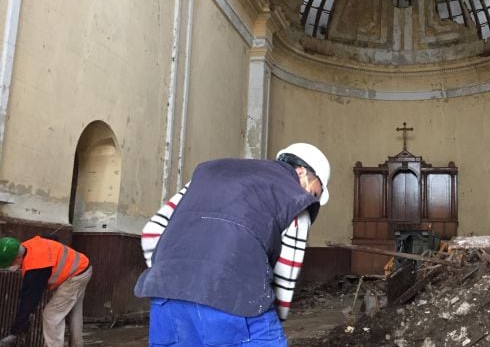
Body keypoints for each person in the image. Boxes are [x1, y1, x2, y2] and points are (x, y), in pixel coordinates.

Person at [134, 142, 331, 346]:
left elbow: (151, 231)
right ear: (301, 172)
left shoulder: (209, 173)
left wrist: (173, 276)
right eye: (315, 193)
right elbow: (285, 278)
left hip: (166, 296)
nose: (311, 198)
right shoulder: (296, 199)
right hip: (233, 298)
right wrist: (270, 322)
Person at [0, 235, 92, 347]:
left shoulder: (36, 267)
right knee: (74, 310)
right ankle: (77, 344)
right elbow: (53, 237)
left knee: (51, 315)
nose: (12, 266)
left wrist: (16, 330)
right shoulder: (28, 244)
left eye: (11, 263)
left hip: (75, 276)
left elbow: (29, 300)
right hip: (82, 266)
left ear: (18, 258)